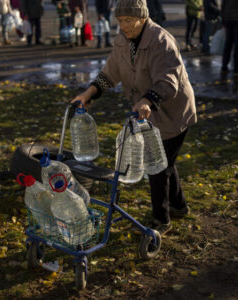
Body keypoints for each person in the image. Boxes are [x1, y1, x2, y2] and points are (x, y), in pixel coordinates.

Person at [70, 0, 197, 234]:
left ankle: (161, 220)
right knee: (165, 161)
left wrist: (148, 100)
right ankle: (179, 206)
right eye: (120, 21)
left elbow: (169, 82)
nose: (123, 26)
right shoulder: (123, 41)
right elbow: (110, 73)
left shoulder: (160, 41)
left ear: (142, 17)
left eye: (128, 20)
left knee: (157, 167)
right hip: (146, 111)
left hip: (172, 111)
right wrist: (88, 94)